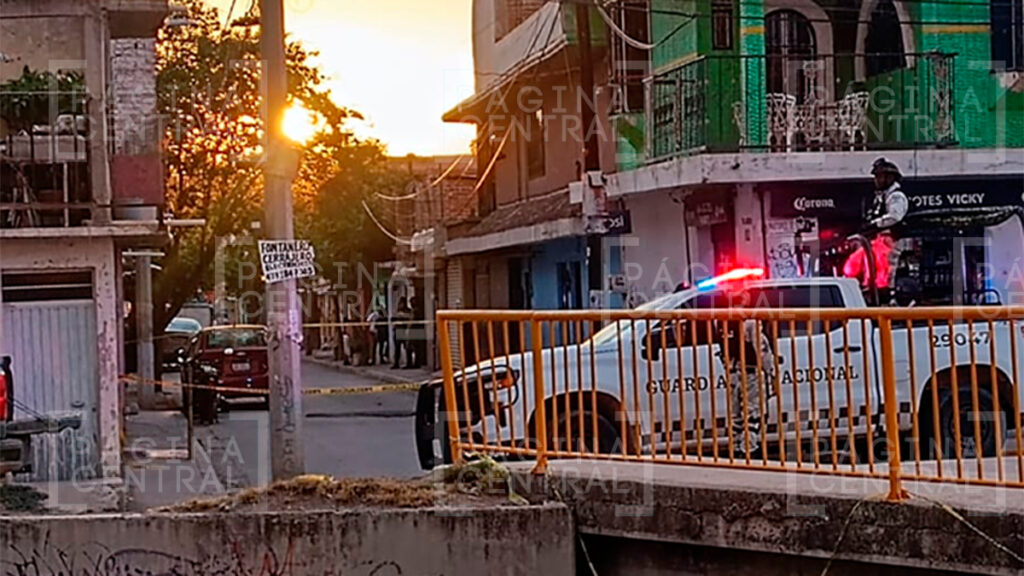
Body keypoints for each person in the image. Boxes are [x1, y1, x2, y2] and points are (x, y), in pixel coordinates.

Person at [719, 319, 774, 458]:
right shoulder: (750, 322)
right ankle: (749, 449)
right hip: (750, 371)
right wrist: (771, 372)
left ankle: (736, 448)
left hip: (731, 371)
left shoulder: (721, 321)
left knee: (735, 415)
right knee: (752, 414)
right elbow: (761, 349)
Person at [867, 158, 909, 231]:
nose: (876, 180)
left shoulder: (896, 196)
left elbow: (894, 217)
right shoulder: (882, 195)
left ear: (890, 178)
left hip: (896, 235)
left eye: (879, 177)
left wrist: (875, 224)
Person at [391, 297, 412, 369]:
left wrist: (403, 316)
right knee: (397, 348)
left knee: (407, 348)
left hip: (404, 330)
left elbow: (409, 319)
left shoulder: (408, 311)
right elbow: (393, 319)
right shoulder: (397, 311)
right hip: (397, 330)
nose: (401, 304)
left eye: (402, 303)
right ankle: (396, 363)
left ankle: (409, 363)